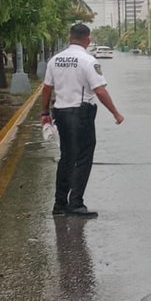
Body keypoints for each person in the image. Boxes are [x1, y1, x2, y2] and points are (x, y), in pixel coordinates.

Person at [41, 23, 124, 217]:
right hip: (81, 114)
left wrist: (44, 113)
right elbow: (100, 90)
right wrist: (115, 113)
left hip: (60, 113)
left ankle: (59, 205)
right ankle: (76, 203)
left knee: (67, 157)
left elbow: (46, 89)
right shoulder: (87, 60)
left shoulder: (55, 60)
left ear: (70, 38)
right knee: (84, 158)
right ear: (87, 39)